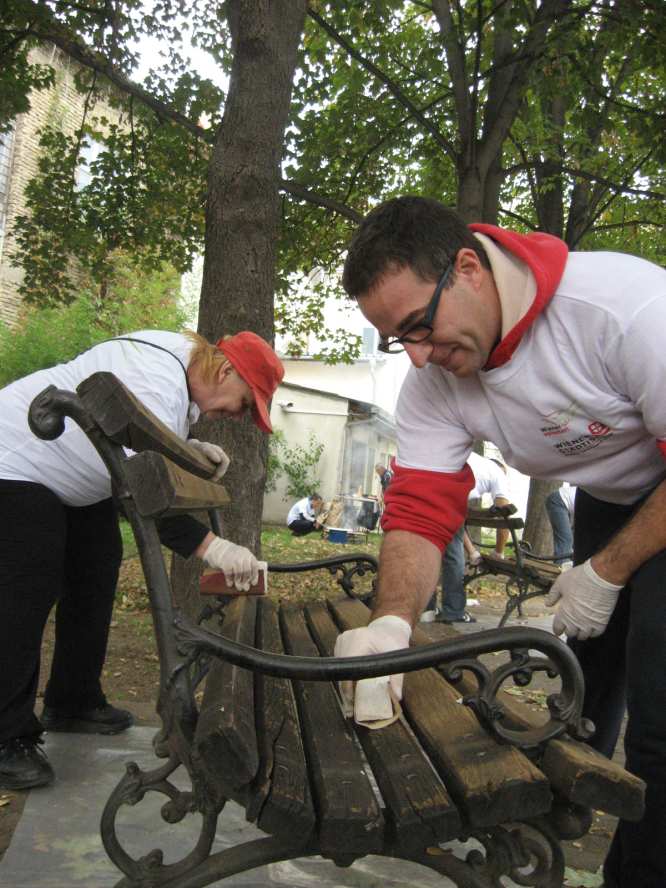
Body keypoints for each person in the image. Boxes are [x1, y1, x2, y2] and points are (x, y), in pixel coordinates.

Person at [334, 195, 666, 887]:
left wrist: (605, 572)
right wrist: (391, 625)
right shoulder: (433, 379)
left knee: (660, 713)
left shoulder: (625, 308)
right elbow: (420, 512)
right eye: (399, 340)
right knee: (586, 682)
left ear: (468, 269)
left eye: (419, 326)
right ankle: (563, 816)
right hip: (612, 497)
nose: (419, 357)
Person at [0, 329, 284, 791]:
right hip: (15, 463)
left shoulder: (173, 370)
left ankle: (73, 700)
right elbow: (143, 491)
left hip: (67, 480)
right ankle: (5, 737)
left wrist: (186, 449)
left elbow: (143, 449)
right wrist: (215, 548)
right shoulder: (158, 378)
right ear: (226, 370)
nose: (238, 416)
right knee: (25, 588)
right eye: (246, 403)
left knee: (97, 567)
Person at [433, 451, 510, 624]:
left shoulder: (472, 459)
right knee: (453, 556)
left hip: (428, 483)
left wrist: (472, 551)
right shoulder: (498, 472)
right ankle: (453, 612)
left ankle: (426, 609)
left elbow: (457, 528)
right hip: (447, 491)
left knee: (430, 549)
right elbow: (505, 517)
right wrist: (498, 552)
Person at [545, 483, 576, 564]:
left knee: (571, 540)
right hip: (558, 500)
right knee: (566, 540)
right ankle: (560, 570)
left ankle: (568, 567)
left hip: (565, 503)